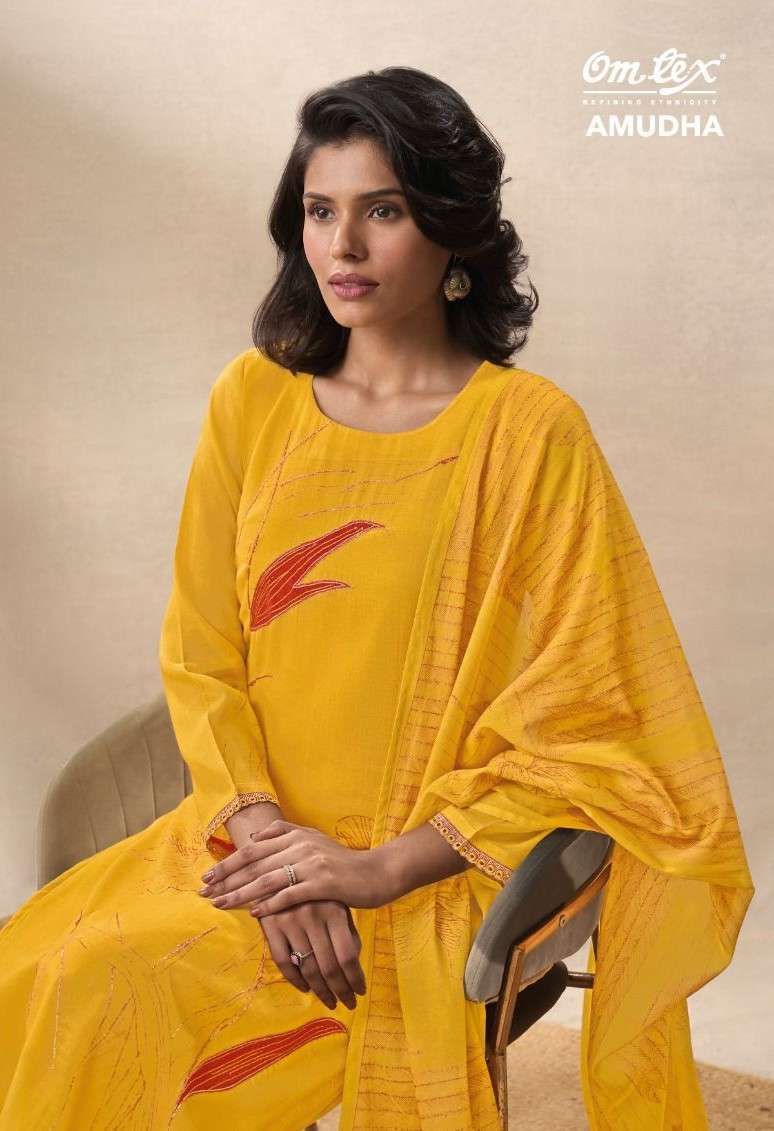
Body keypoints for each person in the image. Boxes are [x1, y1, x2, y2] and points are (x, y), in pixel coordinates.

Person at [0, 65, 754, 1131]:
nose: (342, 246)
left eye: (383, 211)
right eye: (321, 212)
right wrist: (274, 852)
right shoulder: (253, 400)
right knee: (38, 978)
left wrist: (372, 870)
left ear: (451, 231)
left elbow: (592, 722)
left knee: (119, 998)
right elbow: (201, 653)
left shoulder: (529, 435)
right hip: (239, 845)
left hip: (428, 876)